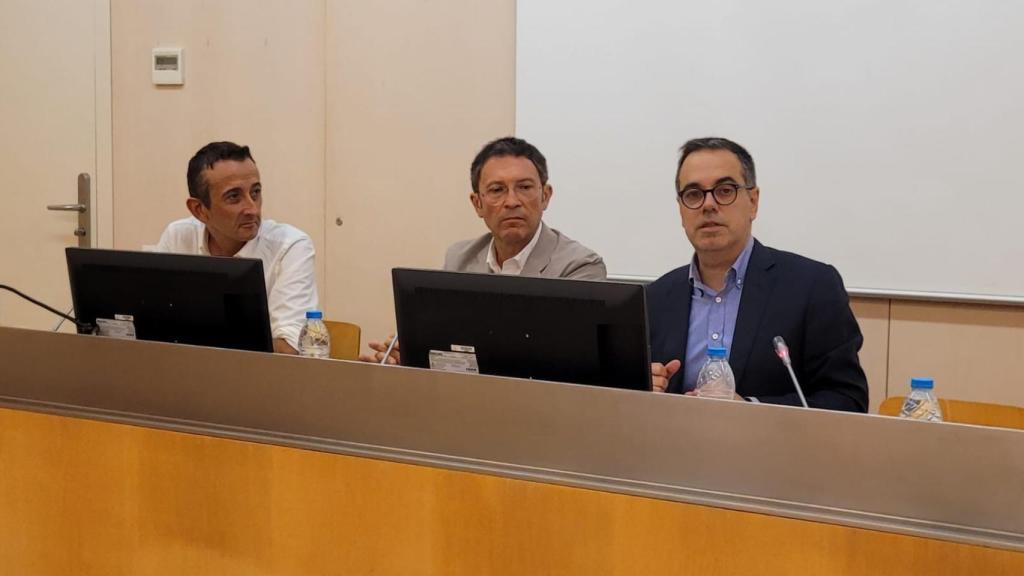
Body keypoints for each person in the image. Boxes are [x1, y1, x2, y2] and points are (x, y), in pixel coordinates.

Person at [648, 137, 868, 412]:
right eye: (693, 194)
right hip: (674, 450)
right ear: (681, 210)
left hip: (772, 453)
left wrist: (750, 408)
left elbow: (848, 401)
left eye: (725, 190)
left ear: (753, 201)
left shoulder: (812, 287)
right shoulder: (656, 297)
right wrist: (643, 390)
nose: (708, 205)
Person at [360, 136, 605, 364]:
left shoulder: (580, 266)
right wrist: (415, 356)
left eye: (525, 187)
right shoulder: (460, 259)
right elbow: (447, 347)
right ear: (478, 203)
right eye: (497, 190)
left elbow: (569, 362)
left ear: (545, 196)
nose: (512, 201)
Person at [155, 141, 319, 355]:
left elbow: (288, 351)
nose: (252, 208)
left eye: (256, 192)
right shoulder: (178, 236)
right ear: (199, 210)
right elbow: (152, 326)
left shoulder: (290, 247)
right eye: (234, 197)